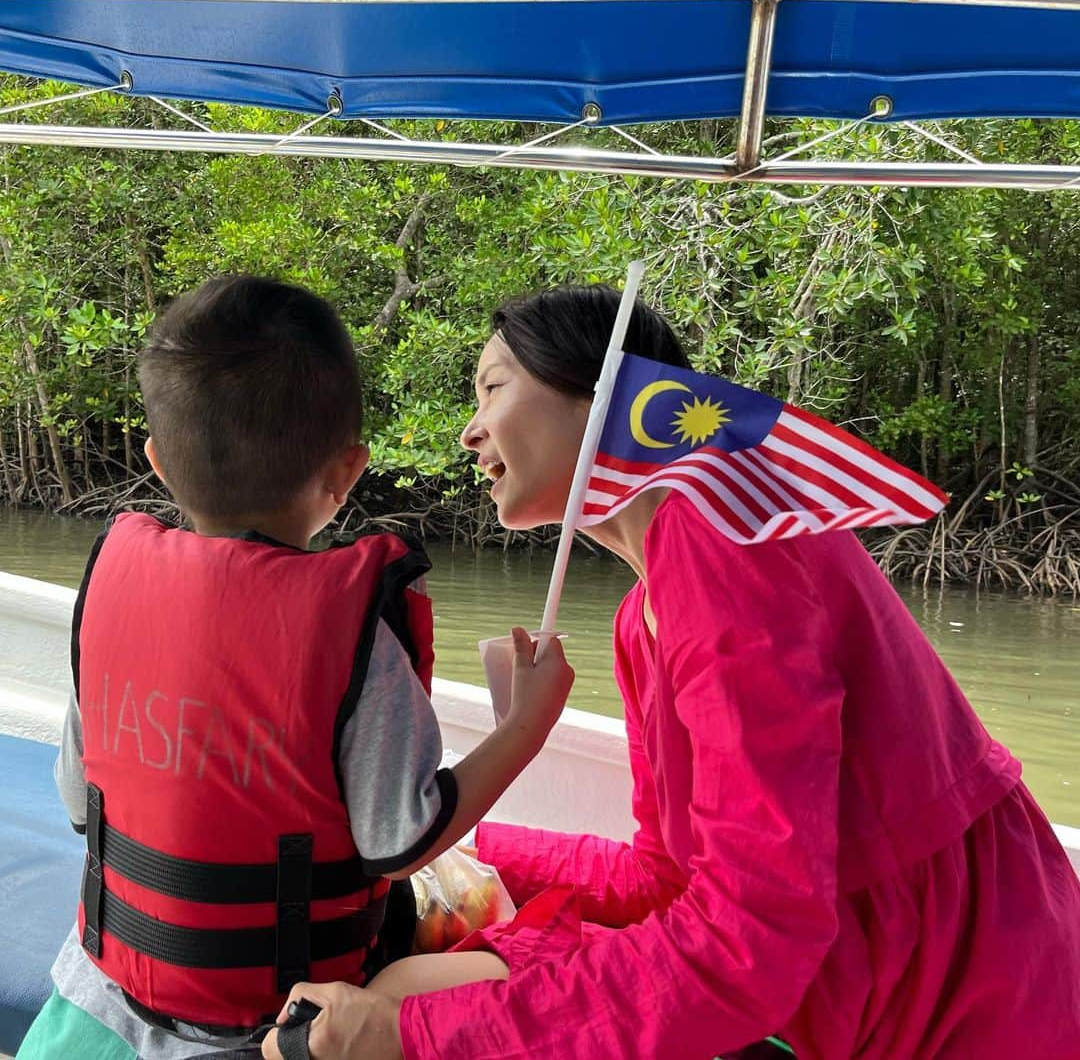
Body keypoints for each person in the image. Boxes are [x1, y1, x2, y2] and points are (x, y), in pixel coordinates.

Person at [263, 283, 1080, 1060]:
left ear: (603, 400)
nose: (471, 432)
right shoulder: (641, 614)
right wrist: (472, 851)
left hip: (977, 1005)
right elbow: (667, 875)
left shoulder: (722, 542)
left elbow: (750, 941)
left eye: (493, 389)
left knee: (416, 1008)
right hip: (854, 999)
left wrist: (421, 1037)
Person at [16, 275, 572, 1060]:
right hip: (277, 1025)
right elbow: (402, 842)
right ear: (346, 472)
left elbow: (81, 802)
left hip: (99, 991)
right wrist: (525, 726)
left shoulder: (109, 588)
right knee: (505, 945)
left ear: (157, 463)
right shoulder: (353, 636)